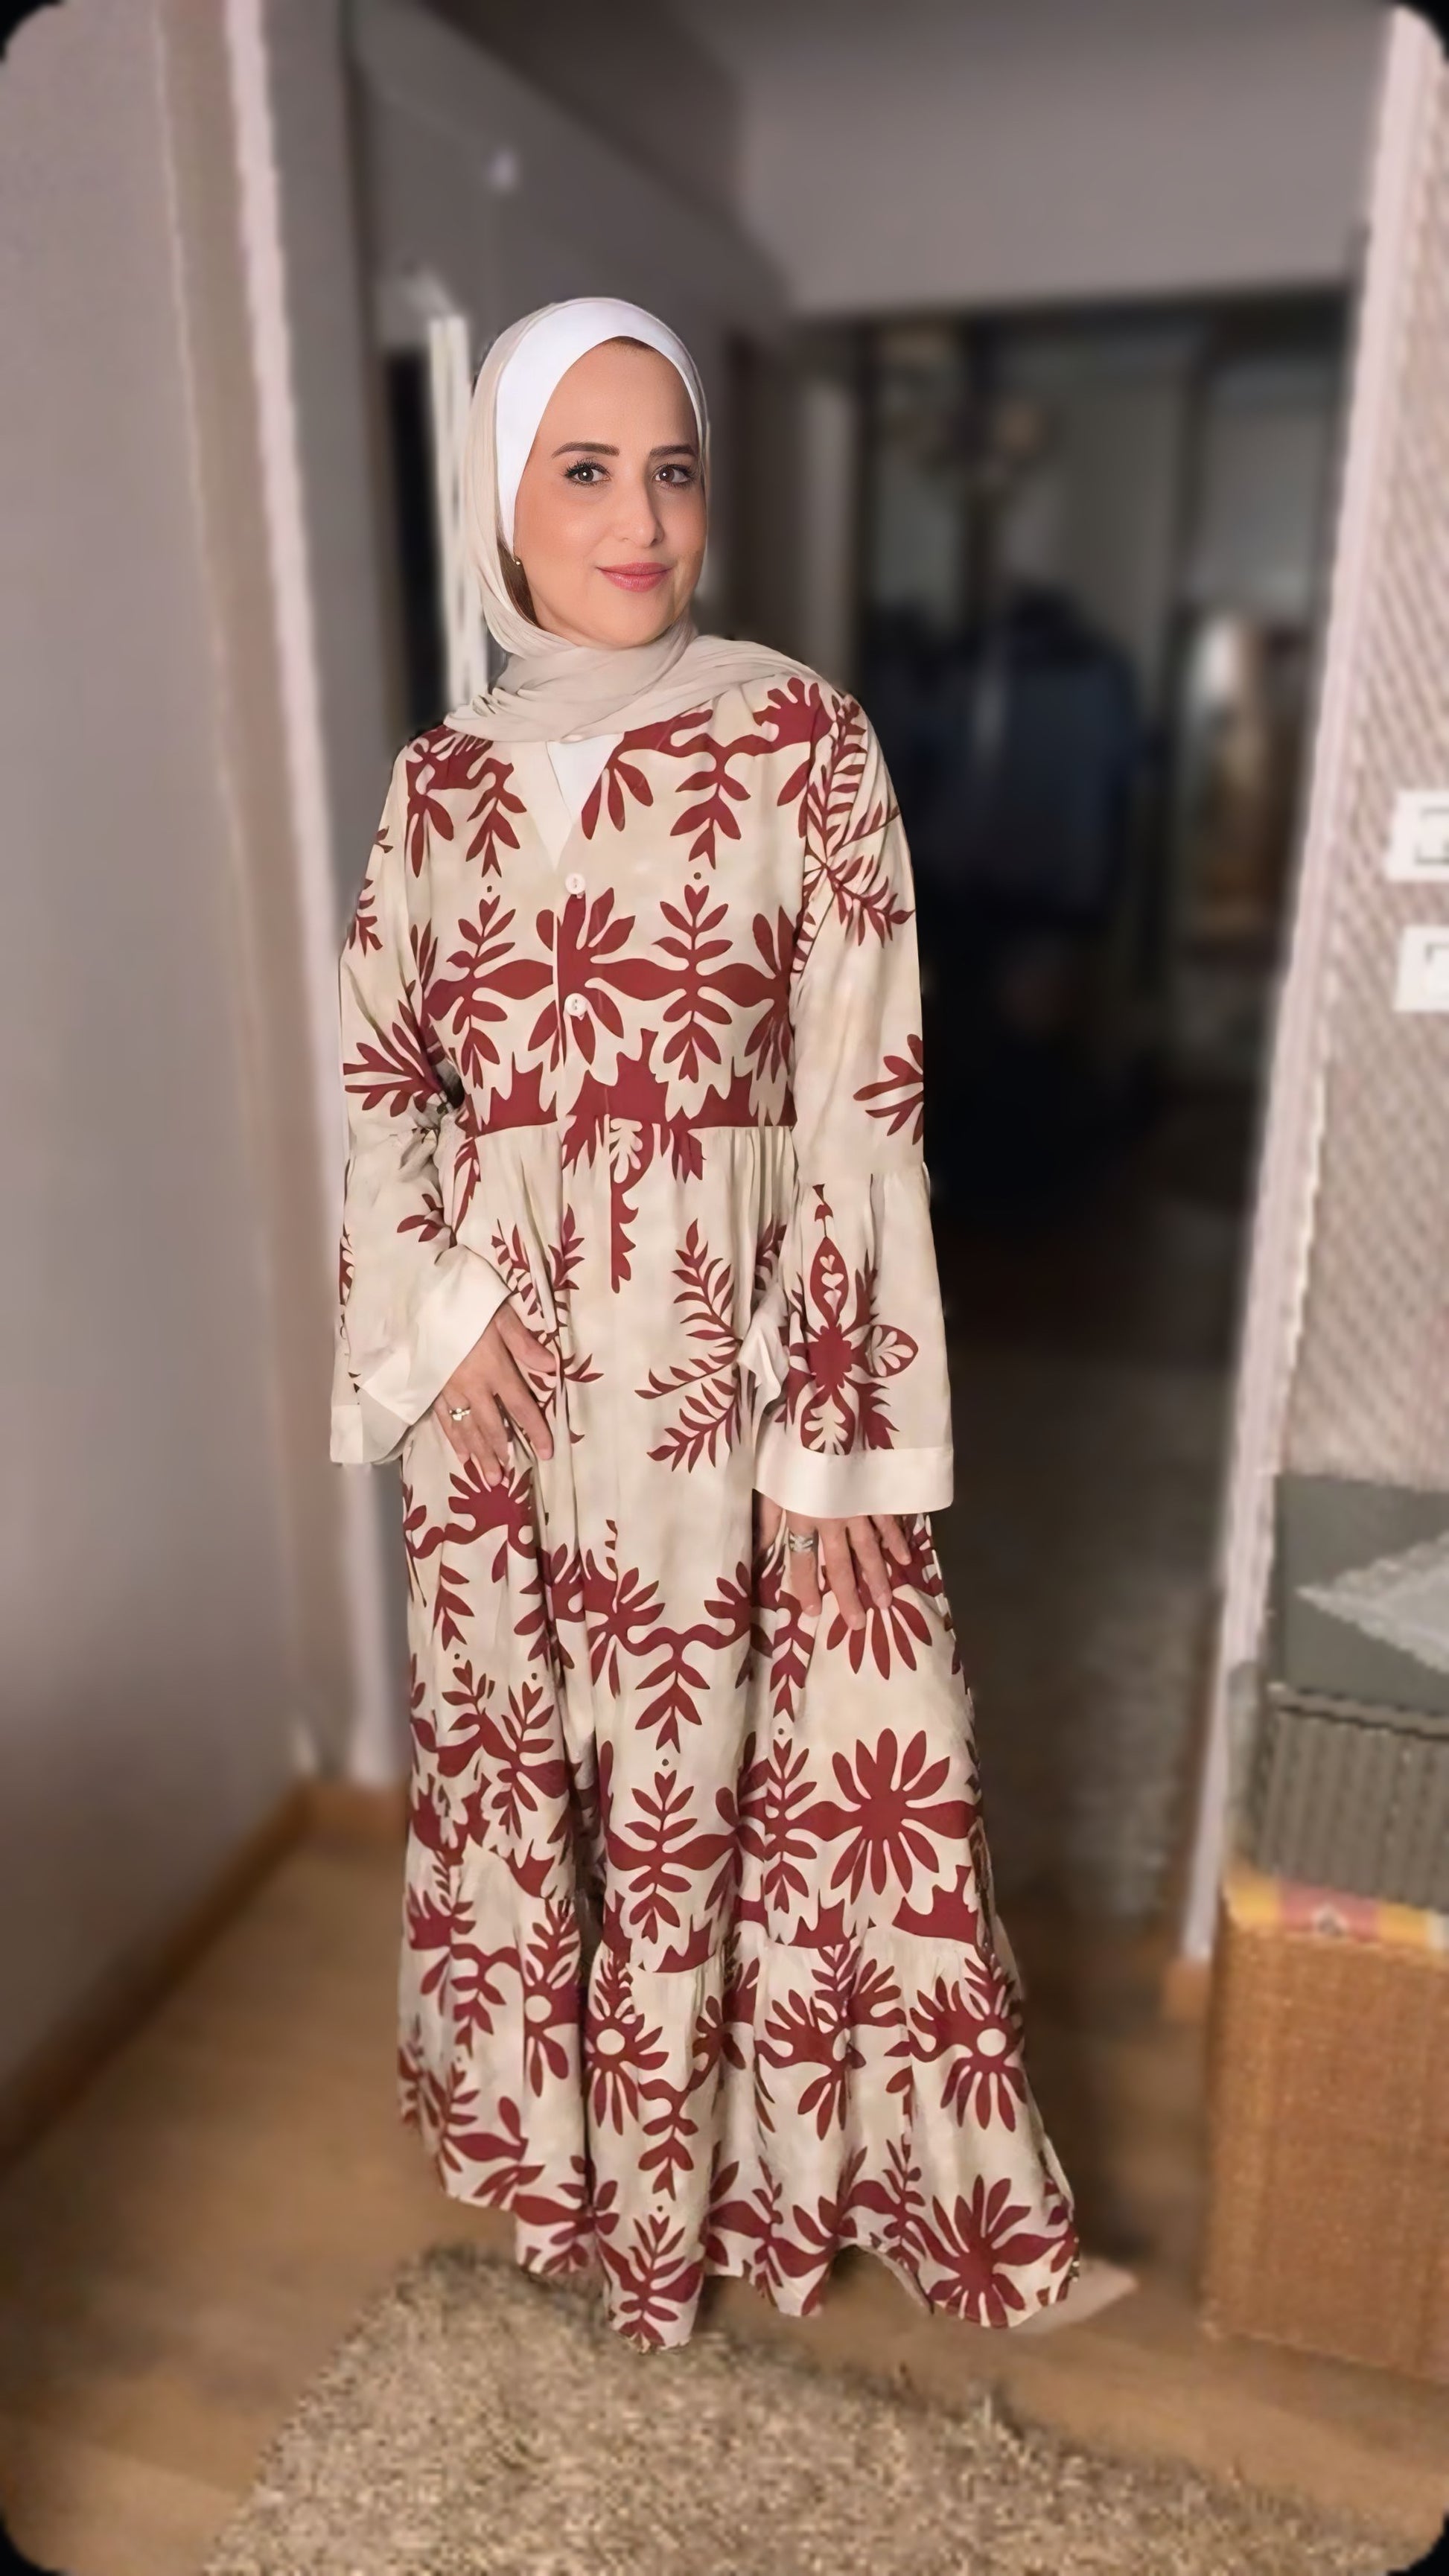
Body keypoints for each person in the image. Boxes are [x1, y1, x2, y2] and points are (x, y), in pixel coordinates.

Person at [332, 296, 1076, 2350]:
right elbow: (386, 1085)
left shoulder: (801, 741)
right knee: (533, 1770)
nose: (640, 521)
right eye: (583, 471)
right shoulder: (436, 790)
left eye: (670, 469)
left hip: (719, 1363)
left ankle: (706, 2213)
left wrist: (838, 1426)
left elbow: (861, 1103)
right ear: (503, 500)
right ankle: (560, 2177)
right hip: (496, 1383)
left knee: (736, 1767)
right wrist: (433, 1316)